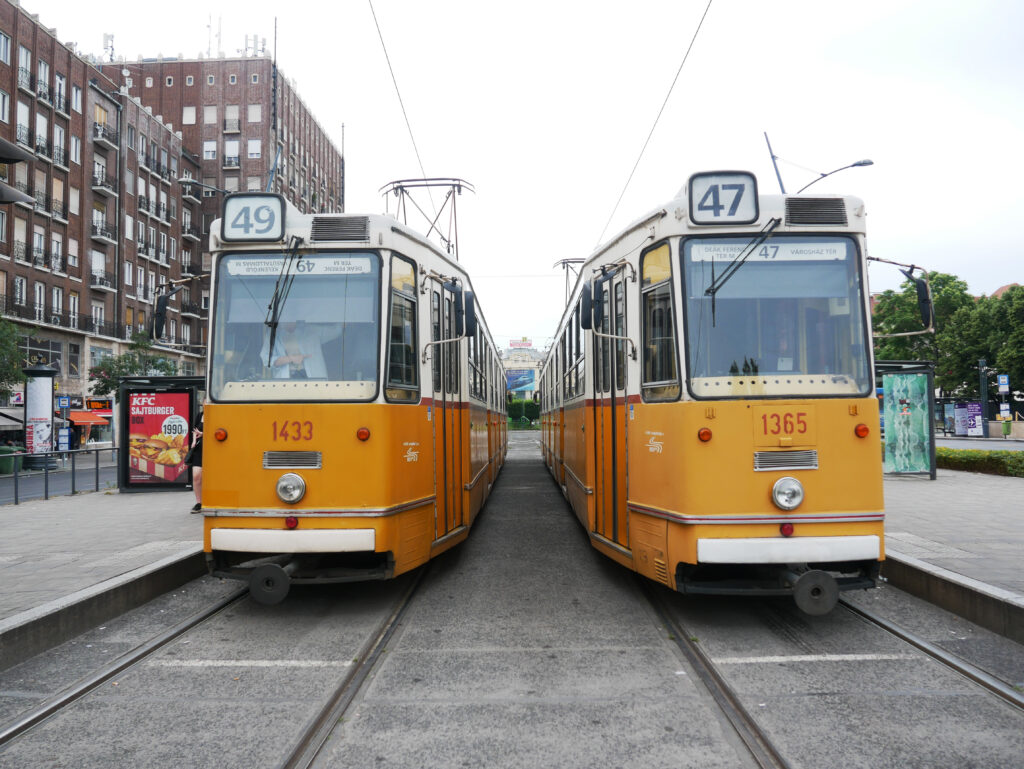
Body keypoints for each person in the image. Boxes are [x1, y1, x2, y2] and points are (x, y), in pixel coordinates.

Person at [260, 320, 340, 379]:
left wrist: (349, 314)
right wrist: (290, 358)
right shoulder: (273, 334)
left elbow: (337, 330)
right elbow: (266, 360)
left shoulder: (311, 330)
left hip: (314, 379)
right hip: (286, 381)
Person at [187, 409, 203, 513]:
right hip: (199, 448)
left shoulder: (219, 413)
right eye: (205, 402)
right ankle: (199, 503)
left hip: (214, 449)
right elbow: (194, 430)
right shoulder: (200, 414)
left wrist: (203, 434)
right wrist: (194, 441)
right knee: (196, 476)